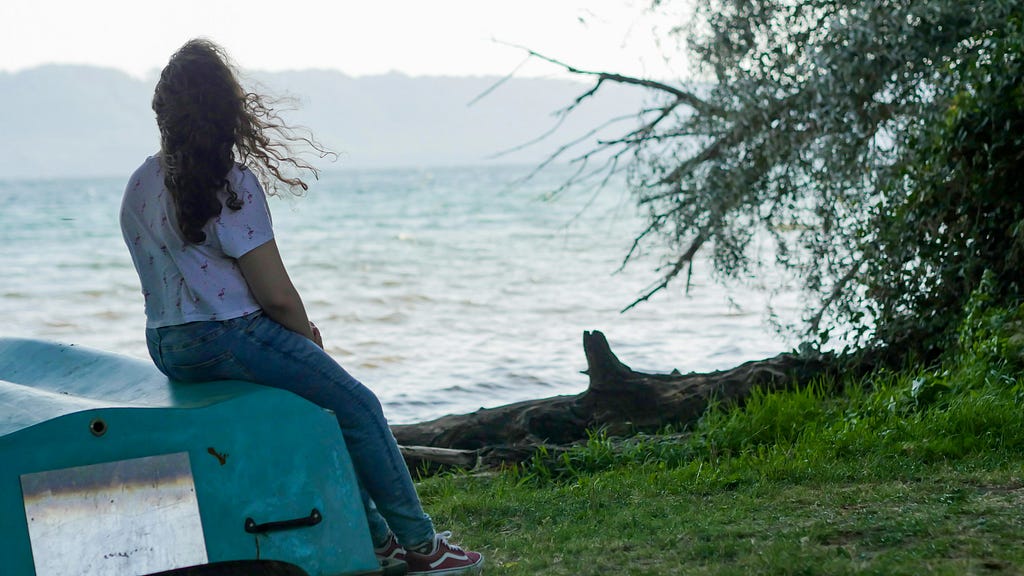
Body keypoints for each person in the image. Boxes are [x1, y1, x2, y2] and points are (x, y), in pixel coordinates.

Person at [120, 38, 484, 576]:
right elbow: (275, 296)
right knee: (358, 405)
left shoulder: (139, 185)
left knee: (323, 407)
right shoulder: (230, 184)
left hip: (169, 346)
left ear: (163, 113)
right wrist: (305, 337)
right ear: (228, 110)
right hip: (229, 336)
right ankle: (424, 548)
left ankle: (377, 540)